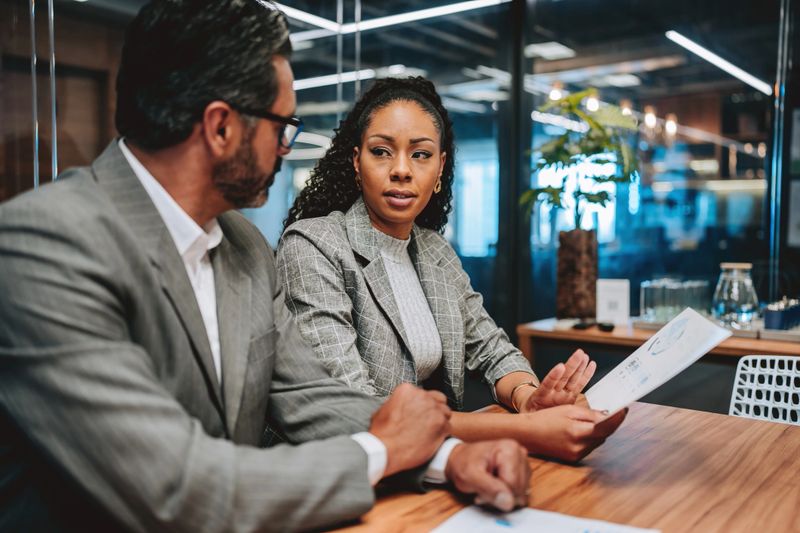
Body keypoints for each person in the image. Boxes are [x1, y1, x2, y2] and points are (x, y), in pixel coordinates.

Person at [0, 2, 532, 531]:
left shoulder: (245, 245)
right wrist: (383, 451)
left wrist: (449, 458)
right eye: (282, 126)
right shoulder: (46, 244)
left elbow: (309, 397)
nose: (284, 148)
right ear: (221, 128)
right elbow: (173, 484)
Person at [278, 77, 626, 461]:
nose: (401, 170)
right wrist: (524, 431)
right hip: (344, 467)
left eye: (420, 154)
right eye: (381, 151)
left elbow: (492, 349)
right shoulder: (314, 245)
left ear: (440, 167)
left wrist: (529, 399)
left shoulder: (434, 250)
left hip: (431, 458)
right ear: (356, 163)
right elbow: (351, 405)